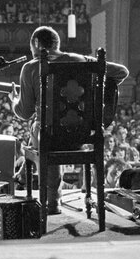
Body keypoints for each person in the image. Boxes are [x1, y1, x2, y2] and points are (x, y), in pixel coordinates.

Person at [10, 25, 129, 214]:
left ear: (35, 43)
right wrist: (101, 89)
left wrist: (14, 100)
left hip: (49, 138)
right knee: (45, 131)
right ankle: (25, 176)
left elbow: (24, 112)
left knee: (38, 128)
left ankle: (51, 201)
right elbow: (122, 71)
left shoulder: (32, 67)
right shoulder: (82, 61)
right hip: (81, 136)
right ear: (57, 44)